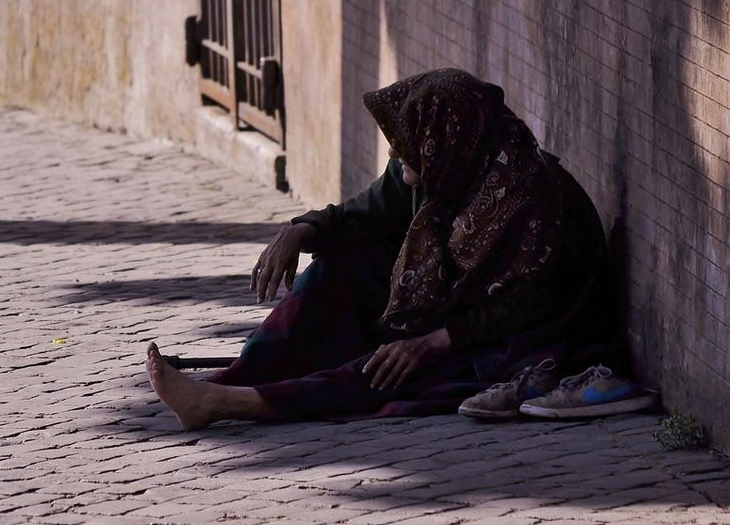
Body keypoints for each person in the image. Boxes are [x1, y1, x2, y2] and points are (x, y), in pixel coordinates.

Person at [146, 68, 630, 430]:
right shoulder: (448, 161)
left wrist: (431, 341)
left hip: (524, 335)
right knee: (341, 266)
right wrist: (301, 230)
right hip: (459, 306)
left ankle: (226, 404)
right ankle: (237, 377)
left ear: (441, 139)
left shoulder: (529, 198)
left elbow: (525, 307)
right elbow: (363, 213)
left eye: (405, 144)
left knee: (394, 369)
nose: (397, 156)